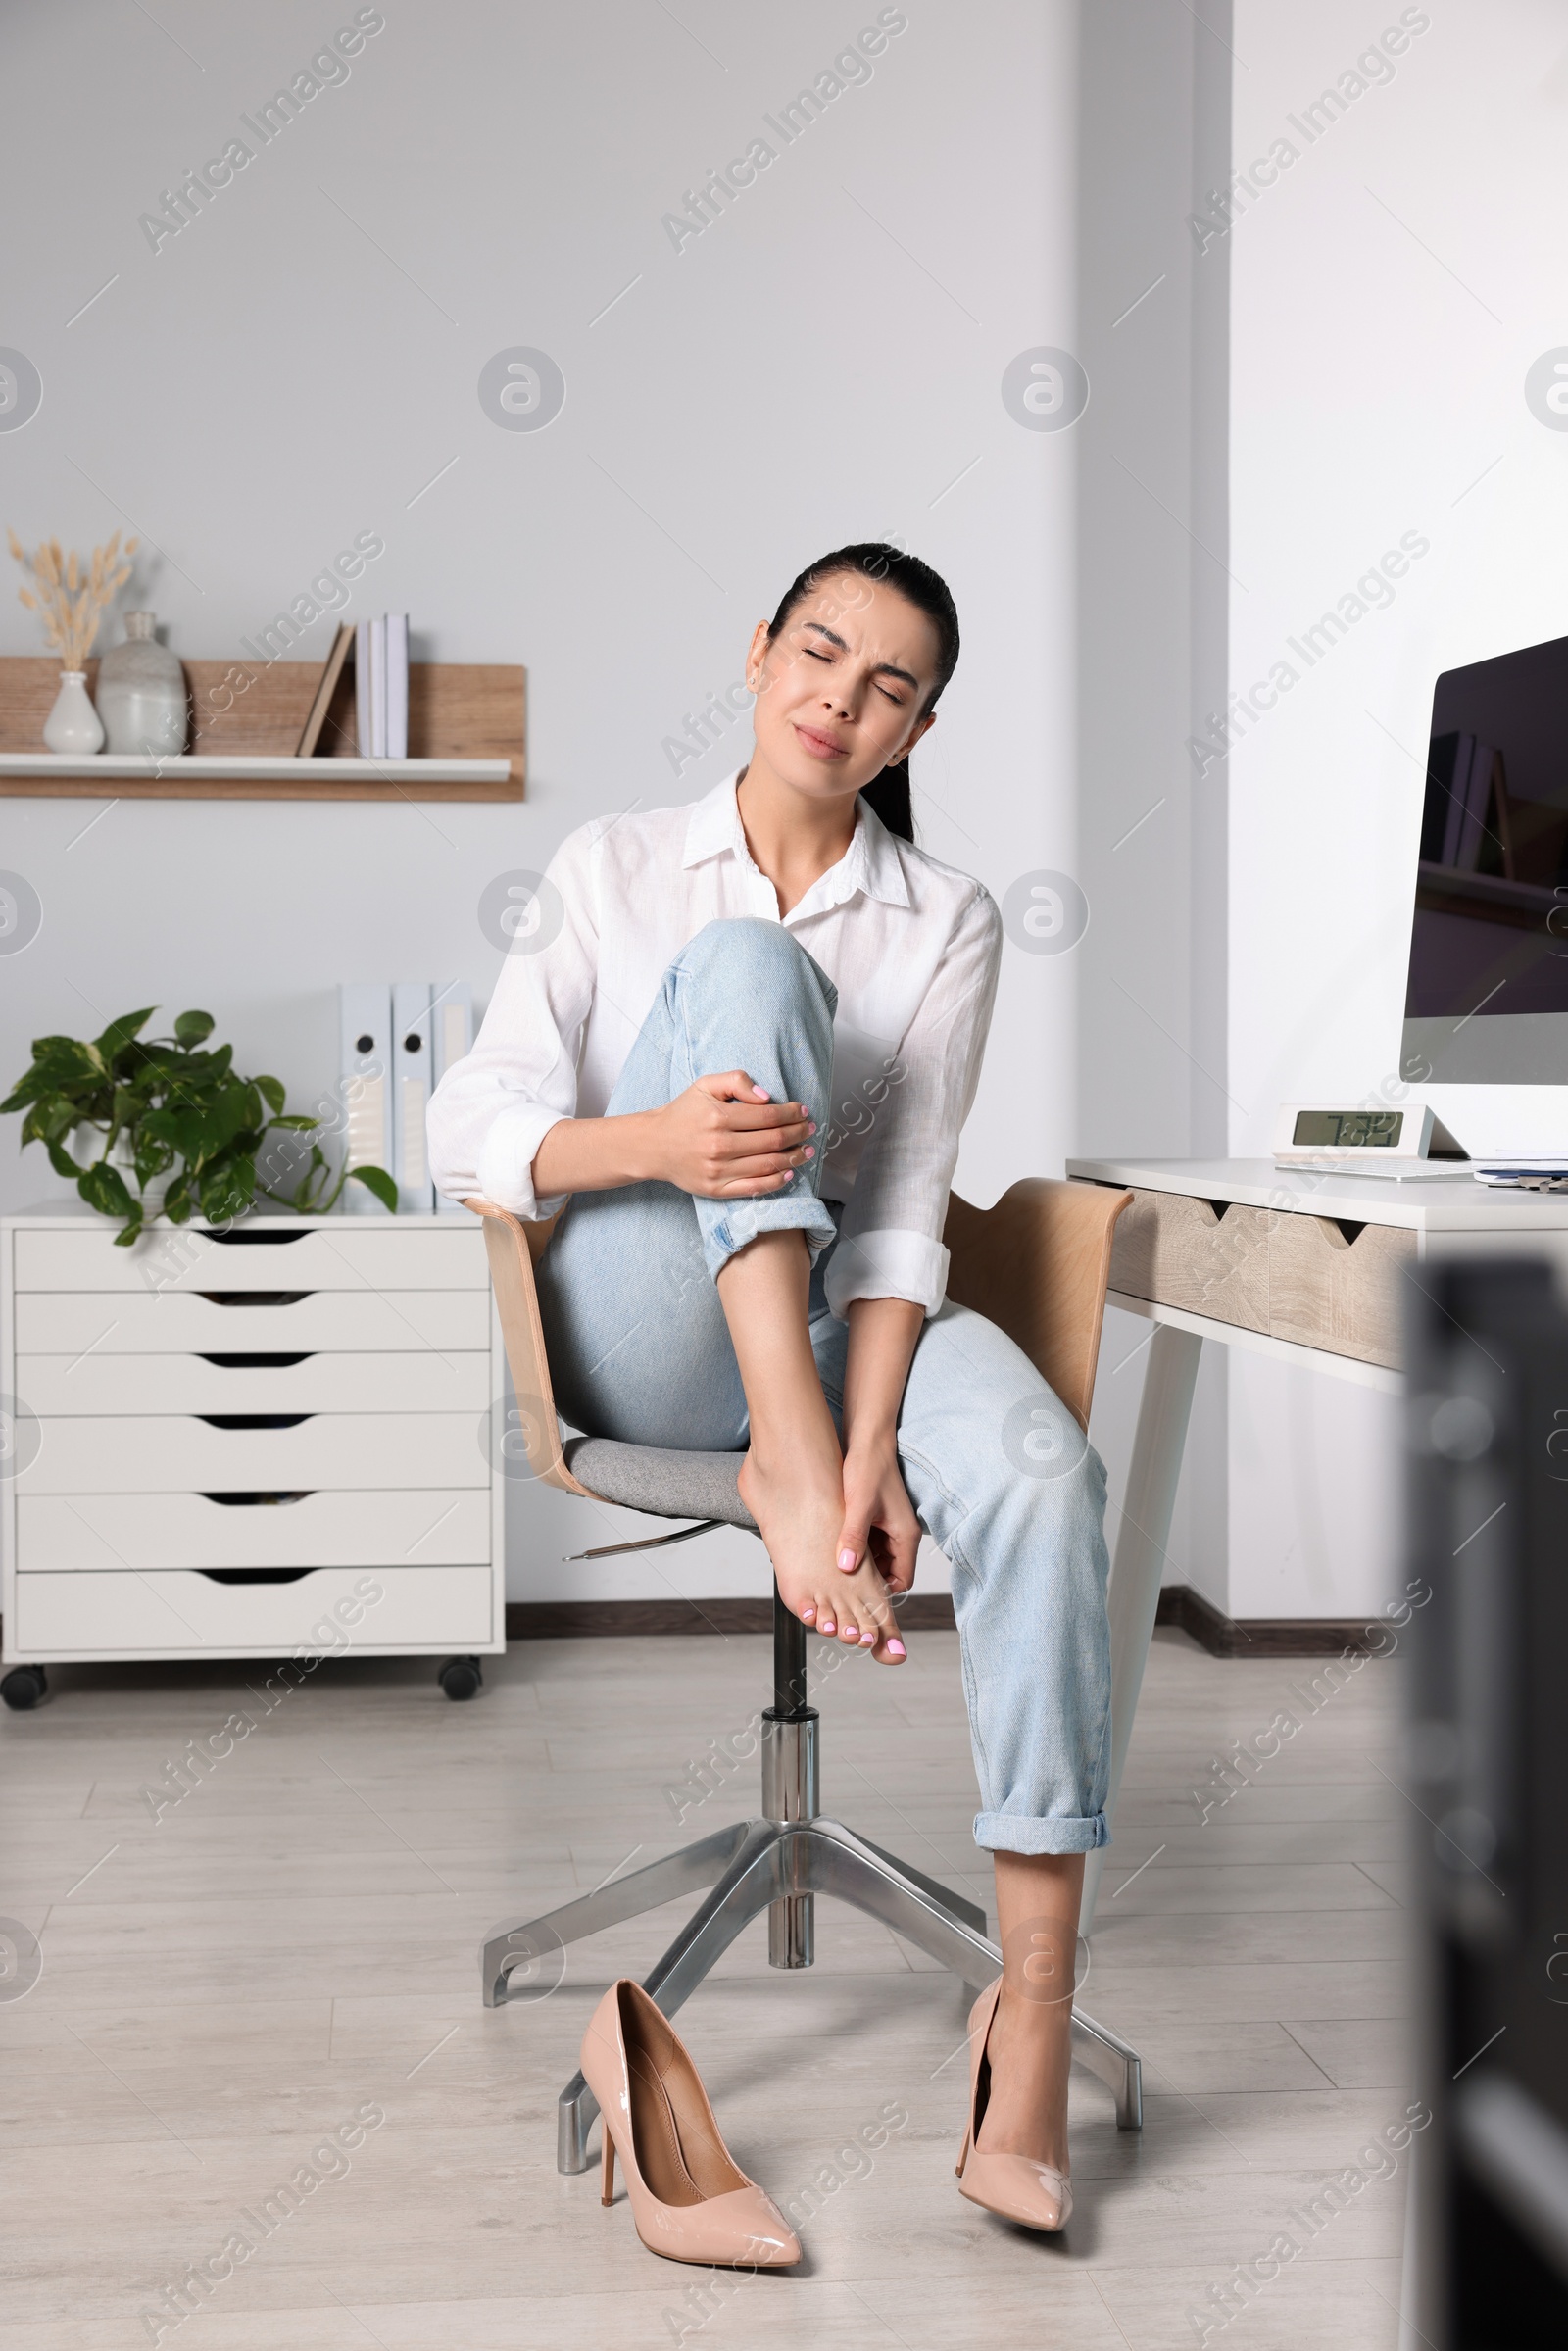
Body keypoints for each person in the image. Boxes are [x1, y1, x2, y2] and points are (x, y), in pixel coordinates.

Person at [428, 543, 1113, 2234]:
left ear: (916, 726)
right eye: (818, 653)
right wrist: (658, 1140)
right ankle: (784, 1471)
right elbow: (470, 1126)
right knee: (745, 974)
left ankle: (1025, 2020)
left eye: (888, 687)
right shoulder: (614, 863)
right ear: (757, 653)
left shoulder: (944, 915)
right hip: (648, 1329)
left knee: (1036, 1470)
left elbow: (897, 1218)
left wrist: (871, 1440)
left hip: (834, 1345)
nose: (839, 698)